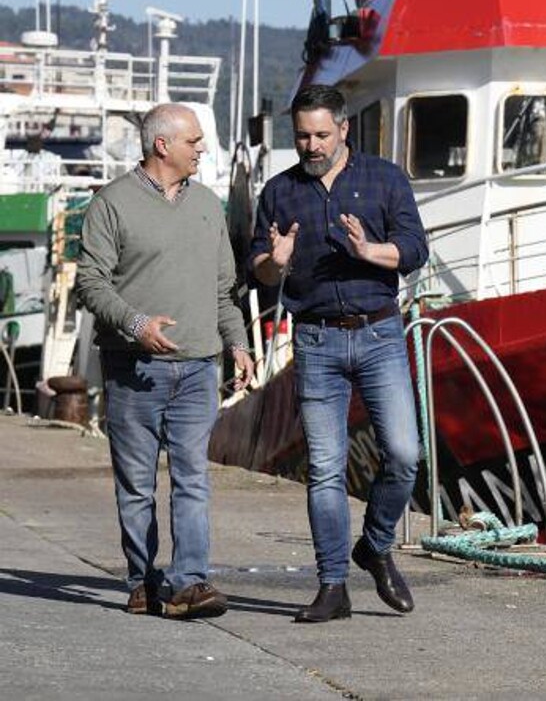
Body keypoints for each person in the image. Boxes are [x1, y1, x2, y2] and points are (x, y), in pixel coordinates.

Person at [250, 84, 427, 623]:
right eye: (302, 135)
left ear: (344, 129)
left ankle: (374, 545)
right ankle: (333, 587)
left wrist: (371, 252)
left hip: (378, 333)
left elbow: (416, 248)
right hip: (315, 339)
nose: (311, 145)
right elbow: (257, 267)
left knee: (404, 454)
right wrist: (274, 264)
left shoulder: (385, 178)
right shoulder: (279, 192)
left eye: (321, 134)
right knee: (325, 468)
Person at [76, 103, 254, 619]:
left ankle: (188, 583)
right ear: (162, 146)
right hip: (134, 368)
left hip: (199, 367)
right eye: (194, 141)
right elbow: (91, 281)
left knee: (192, 476)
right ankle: (142, 580)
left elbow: (224, 291)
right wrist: (137, 325)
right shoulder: (111, 204)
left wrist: (238, 345)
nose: (201, 148)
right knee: (135, 481)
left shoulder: (207, 205)